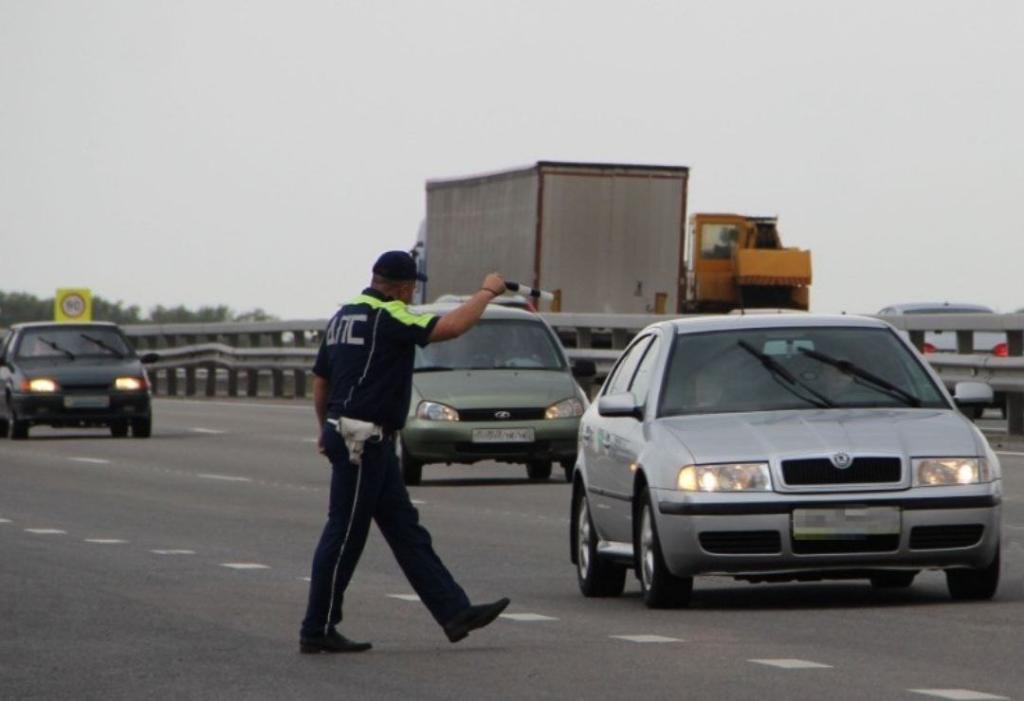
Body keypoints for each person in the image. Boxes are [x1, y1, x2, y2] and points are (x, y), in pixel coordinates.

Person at [299, 250, 511, 654]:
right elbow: (450, 327)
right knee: (344, 534)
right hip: (363, 439)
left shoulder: (344, 315)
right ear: (402, 287)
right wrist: (487, 292)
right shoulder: (389, 315)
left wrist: (324, 428)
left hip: (357, 436)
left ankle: (454, 611)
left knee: (405, 530)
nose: (412, 295)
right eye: (412, 287)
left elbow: (322, 380)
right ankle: (317, 627)